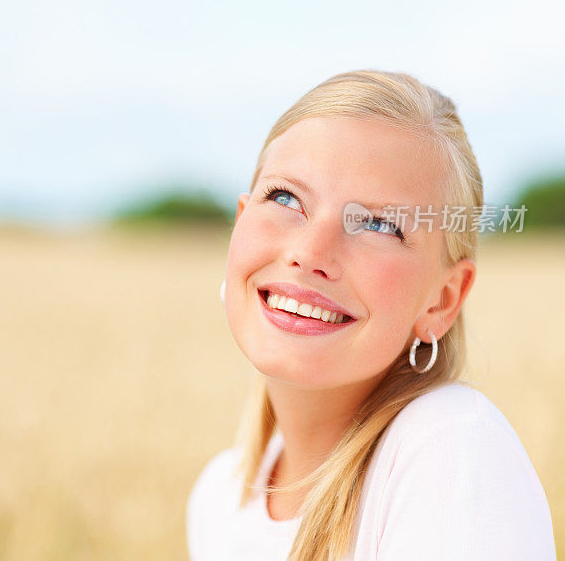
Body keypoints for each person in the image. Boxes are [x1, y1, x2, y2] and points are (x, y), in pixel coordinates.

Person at [185, 70, 556, 560]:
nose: (310, 251)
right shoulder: (217, 500)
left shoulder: (450, 452)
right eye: (285, 197)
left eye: (379, 224)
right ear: (240, 221)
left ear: (442, 300)